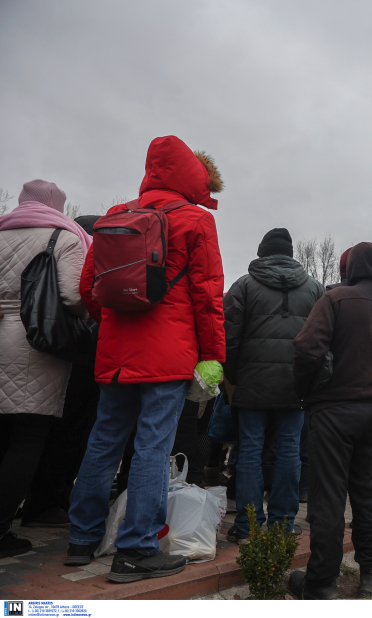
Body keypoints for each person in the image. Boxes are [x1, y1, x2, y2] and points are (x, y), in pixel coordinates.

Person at [67, 136, 226, 581]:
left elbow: (88, 288)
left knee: (103, 441)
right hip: (167, 356)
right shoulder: (196, 220)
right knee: (152, 447)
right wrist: (212, 354)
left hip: (116, 354)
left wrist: (114, 323)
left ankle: (81, 539)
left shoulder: (116, 216)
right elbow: (207, 295)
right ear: (193, 176)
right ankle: (136, 548)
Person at [290, 242, 372, 599]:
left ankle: (321, 583)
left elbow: (306, 348)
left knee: (328, 498)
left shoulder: (334, 300)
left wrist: (307, 392)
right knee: (370, 496)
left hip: (333, 412)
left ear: (351, 267)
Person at [0, 180, 91, 558]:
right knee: (28, 436)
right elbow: (72, 295)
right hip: (35, 344)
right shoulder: (64, 237)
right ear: (57, 206)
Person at [223, 228, 325, 543]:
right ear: (290, 254)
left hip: (251, 385)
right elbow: (323, 341)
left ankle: (247, 527)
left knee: (250, 450)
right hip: (296, 385)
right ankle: (282, 524)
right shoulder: (314, 289)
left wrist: (234, 378)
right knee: (289, 450)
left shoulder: (243, 286)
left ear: (262, 252)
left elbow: (228, 338)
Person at [19, 215, 100, 529]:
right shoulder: (82, 256)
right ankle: (47, 502)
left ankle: (41, 498)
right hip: (79, 355)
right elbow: (77, 299)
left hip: (51, 354)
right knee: (70, 431)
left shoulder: (56, 251)